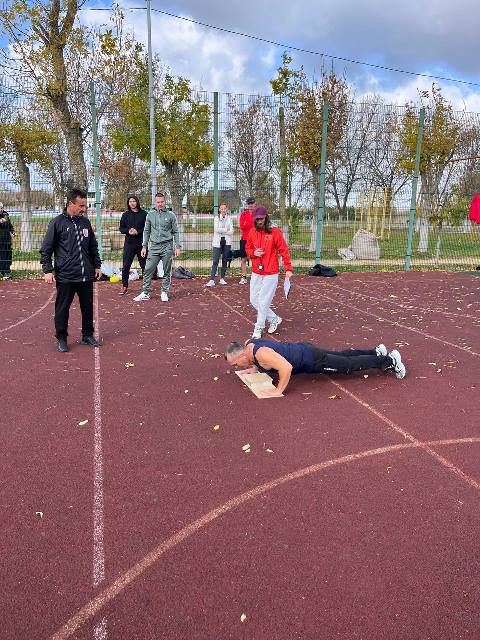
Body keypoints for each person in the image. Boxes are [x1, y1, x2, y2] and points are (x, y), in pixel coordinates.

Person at [225, 339, 406, 398]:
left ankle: (389, 361)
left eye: (235, 363)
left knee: (347, 366)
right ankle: (376, 352)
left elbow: (286, 368)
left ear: (241, 355)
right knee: (342, 356)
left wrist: (278, 390)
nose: (236, 367)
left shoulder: (261, 353)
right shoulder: (250, 344)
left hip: (311, 360)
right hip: (305, 349)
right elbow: (263, 361)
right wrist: (254, 369)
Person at [40, 188, 102, 352]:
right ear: (70, 204)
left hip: (86, 274)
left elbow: (93, 246)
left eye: (84, 205)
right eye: (81, 205)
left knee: (87, 307)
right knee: (62, 308)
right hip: (66, 275)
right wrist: (47, 270)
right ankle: (61, 338)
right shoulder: (57, 223)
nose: (84, 208)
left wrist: (97, 265)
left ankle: (87, 335)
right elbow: (46, 249)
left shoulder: (85, 222)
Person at [245, 205, 292, 339]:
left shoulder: (274, 232)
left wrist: (288, 268)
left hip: (271, 272)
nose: (259, 221)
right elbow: (247, 248)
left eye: (261, 218)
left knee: (263, 300)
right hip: (256, 270)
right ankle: (274, 318)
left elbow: (283, 250)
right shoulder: (252, 232)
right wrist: (253, 253)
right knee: (253, 299)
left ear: (266, 217)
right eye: (257, 219)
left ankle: (258, 327)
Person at [133, 192, 181, 302]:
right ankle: (145, 293)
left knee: (166, 270)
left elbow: (175, 232)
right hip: (154, 247)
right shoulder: (150, 215)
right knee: (148, 269)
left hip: (167, 246)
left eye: (162, 202)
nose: (160, 204)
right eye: (158, 202)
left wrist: (177, 246)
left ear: (165, 201)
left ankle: (164, 292)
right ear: (155, 202)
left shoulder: (171, 215)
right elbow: (146, 231)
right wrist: (144, 246)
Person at [118, 194, 148, 296]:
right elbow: (121, 228)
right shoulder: (125, 215)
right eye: (130, 202)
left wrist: (138, 231)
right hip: (129, 244)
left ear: (137, 202)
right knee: (126, 266)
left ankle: (146, 287)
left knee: (144, 266)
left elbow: (147, 228)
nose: (132, 203)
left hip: (141, 244)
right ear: (128, 203)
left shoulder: (144, 214)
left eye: (134, 201)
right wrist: (128, 230)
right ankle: (124, 286)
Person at [206, 202, 234, 287]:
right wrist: (226, 229)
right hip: (217, 242)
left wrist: (224, 230)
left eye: (225, 208)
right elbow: (216, 229)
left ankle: (222, 278)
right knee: (215, 261)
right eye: (221, 208)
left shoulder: (229, 219)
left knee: (225, 260)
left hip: (227, 242)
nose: (223, 210)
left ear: (227, 209)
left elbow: (232, 231)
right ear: (219, 209)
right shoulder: (216, 218)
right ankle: (212, 280)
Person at [237, 196, 255, 284]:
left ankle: (255, 276)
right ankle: (243, 277)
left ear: (255, 204)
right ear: (247, 205)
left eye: (252, 203)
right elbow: (242, 226)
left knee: (255, 258)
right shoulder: (243, 214)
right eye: (249, 203)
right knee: (243, 259)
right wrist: (252, 225)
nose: (250, 205)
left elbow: (259, 226)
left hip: (255, 240)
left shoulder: (257, 214)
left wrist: (247, 224)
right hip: (244, 239)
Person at [0, 202, 15, 279]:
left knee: (8, 255)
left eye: (2, 208)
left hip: (7, 239)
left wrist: (12, 231)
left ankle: (7, 270)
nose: (1, 209)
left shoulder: (5, 214)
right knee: (2, 256)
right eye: (0, 208)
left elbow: (9, 224)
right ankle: (5, 272)